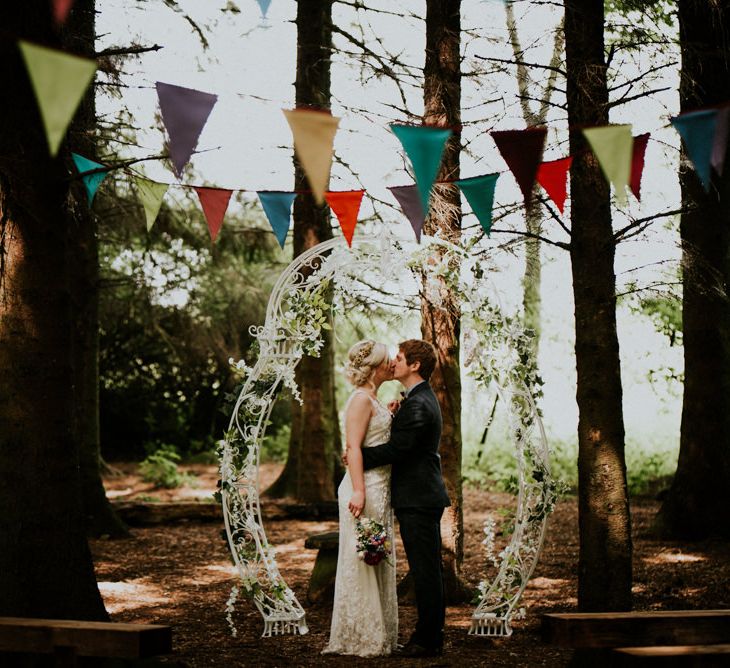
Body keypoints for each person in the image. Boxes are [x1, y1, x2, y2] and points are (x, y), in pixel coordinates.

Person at [360, 339, 450, 658]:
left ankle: (428, 639)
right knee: (425, 568)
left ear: (414, 365)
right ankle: (429, 635)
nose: (393, 362)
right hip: (418, 496)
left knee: (425, 570)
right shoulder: (415, 400)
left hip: (420, 496)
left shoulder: (421, 403)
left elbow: (400, 449)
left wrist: (358, 455)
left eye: (399, 358)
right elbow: (405, 440)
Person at [322, 340, 398, 657]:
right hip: (363, 488)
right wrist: (359, 490)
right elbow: (353, 448)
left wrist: (390, 413)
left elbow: (369, 438)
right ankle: (361, 635)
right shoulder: (359, 401)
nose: (394, 362)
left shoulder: (373, 399)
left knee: (376, 554)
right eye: (388, 360)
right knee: (363, 557)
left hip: (379, 486)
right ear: (377, 368)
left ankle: (376, 630)